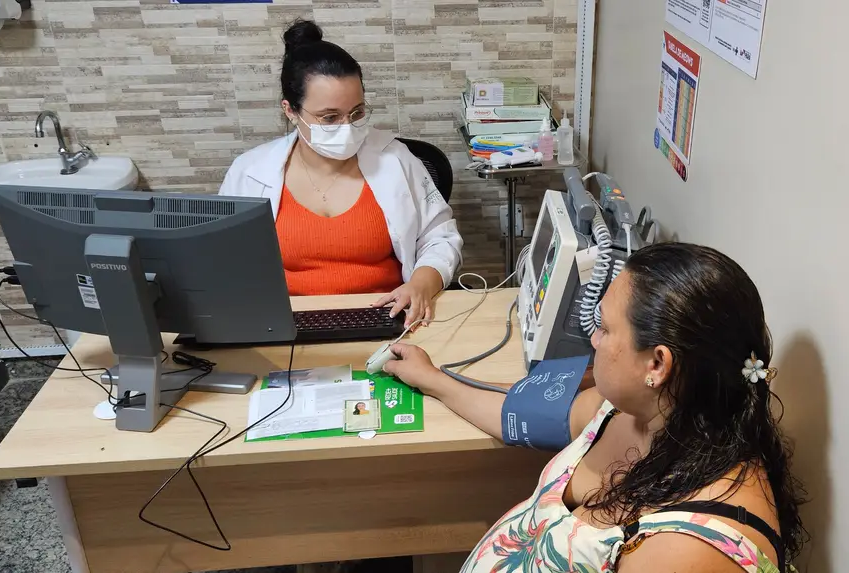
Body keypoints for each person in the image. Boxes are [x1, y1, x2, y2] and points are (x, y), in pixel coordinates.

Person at [384, 242, 806, 573]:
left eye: (604, 327)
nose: (593, 339)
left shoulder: (689, 549)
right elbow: (516, 415)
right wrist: (432, 379)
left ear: (657, 364)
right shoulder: (624, 411)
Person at [219, 19, 463, 326]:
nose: (347, 127)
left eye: (357, 113)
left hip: (385, 317)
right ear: (290, 111)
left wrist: (421, 284)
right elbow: (224, 262)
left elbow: (440, 238)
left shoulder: (396, 159)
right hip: (285, 324)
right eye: (330, 117)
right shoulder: (250, 172)